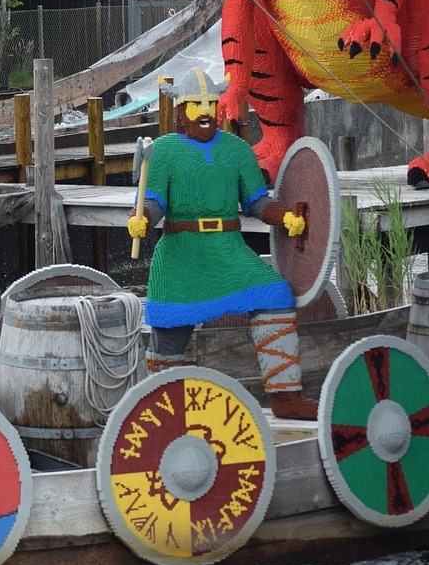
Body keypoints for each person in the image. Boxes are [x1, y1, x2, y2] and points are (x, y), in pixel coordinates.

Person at [127, 68, 319, 420]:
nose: (204, 112)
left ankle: (285, 395)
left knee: (275, 294)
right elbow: (153, 203)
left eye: (210, 104)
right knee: (170, 329)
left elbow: (257, 201)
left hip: (228, 249)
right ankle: (161, 407)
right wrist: (142, 218)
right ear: (180, 110)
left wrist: (285, 217)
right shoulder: (164, 151)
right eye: (196, 104)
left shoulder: (237, 150)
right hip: (181, 255)